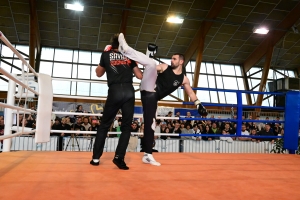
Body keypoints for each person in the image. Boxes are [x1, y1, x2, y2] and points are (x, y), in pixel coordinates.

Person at [117, 33, 207, 166]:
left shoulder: (183, 79)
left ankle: (147, 154)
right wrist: (148, 60)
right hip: (149, 85)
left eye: (175, 59)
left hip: (151, 98)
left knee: (151, 124)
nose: (172, 60)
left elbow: (191, 94)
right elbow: (150, 69)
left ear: (181, 61)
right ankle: (126, 49)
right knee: (152, 64)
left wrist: (199, 104)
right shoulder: (164, 67)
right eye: (171, 58)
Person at [90, 33, 143, 170]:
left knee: (104, 125)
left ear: (111, 44)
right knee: (126, 127)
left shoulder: (106, 54)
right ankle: (119, 158)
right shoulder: (129, 56)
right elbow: (139, 75)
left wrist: (105, 57)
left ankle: (96, 158)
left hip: (114, 91)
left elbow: (98, 73)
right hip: (129, 91)